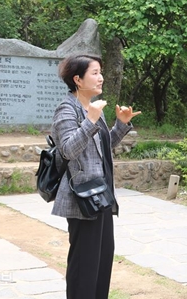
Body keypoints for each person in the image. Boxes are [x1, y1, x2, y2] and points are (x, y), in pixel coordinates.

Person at [51, 54, 141, 299]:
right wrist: (90, 119)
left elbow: (100, 149)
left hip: (100, 195)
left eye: (100, 72)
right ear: (77, 79)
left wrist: (120, 125)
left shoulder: (94, 109)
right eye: (94, 72)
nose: (100, 77)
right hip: (82, 197)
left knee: (101, 261)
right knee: (84, 264)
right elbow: (69, 149)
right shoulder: (67, 109)